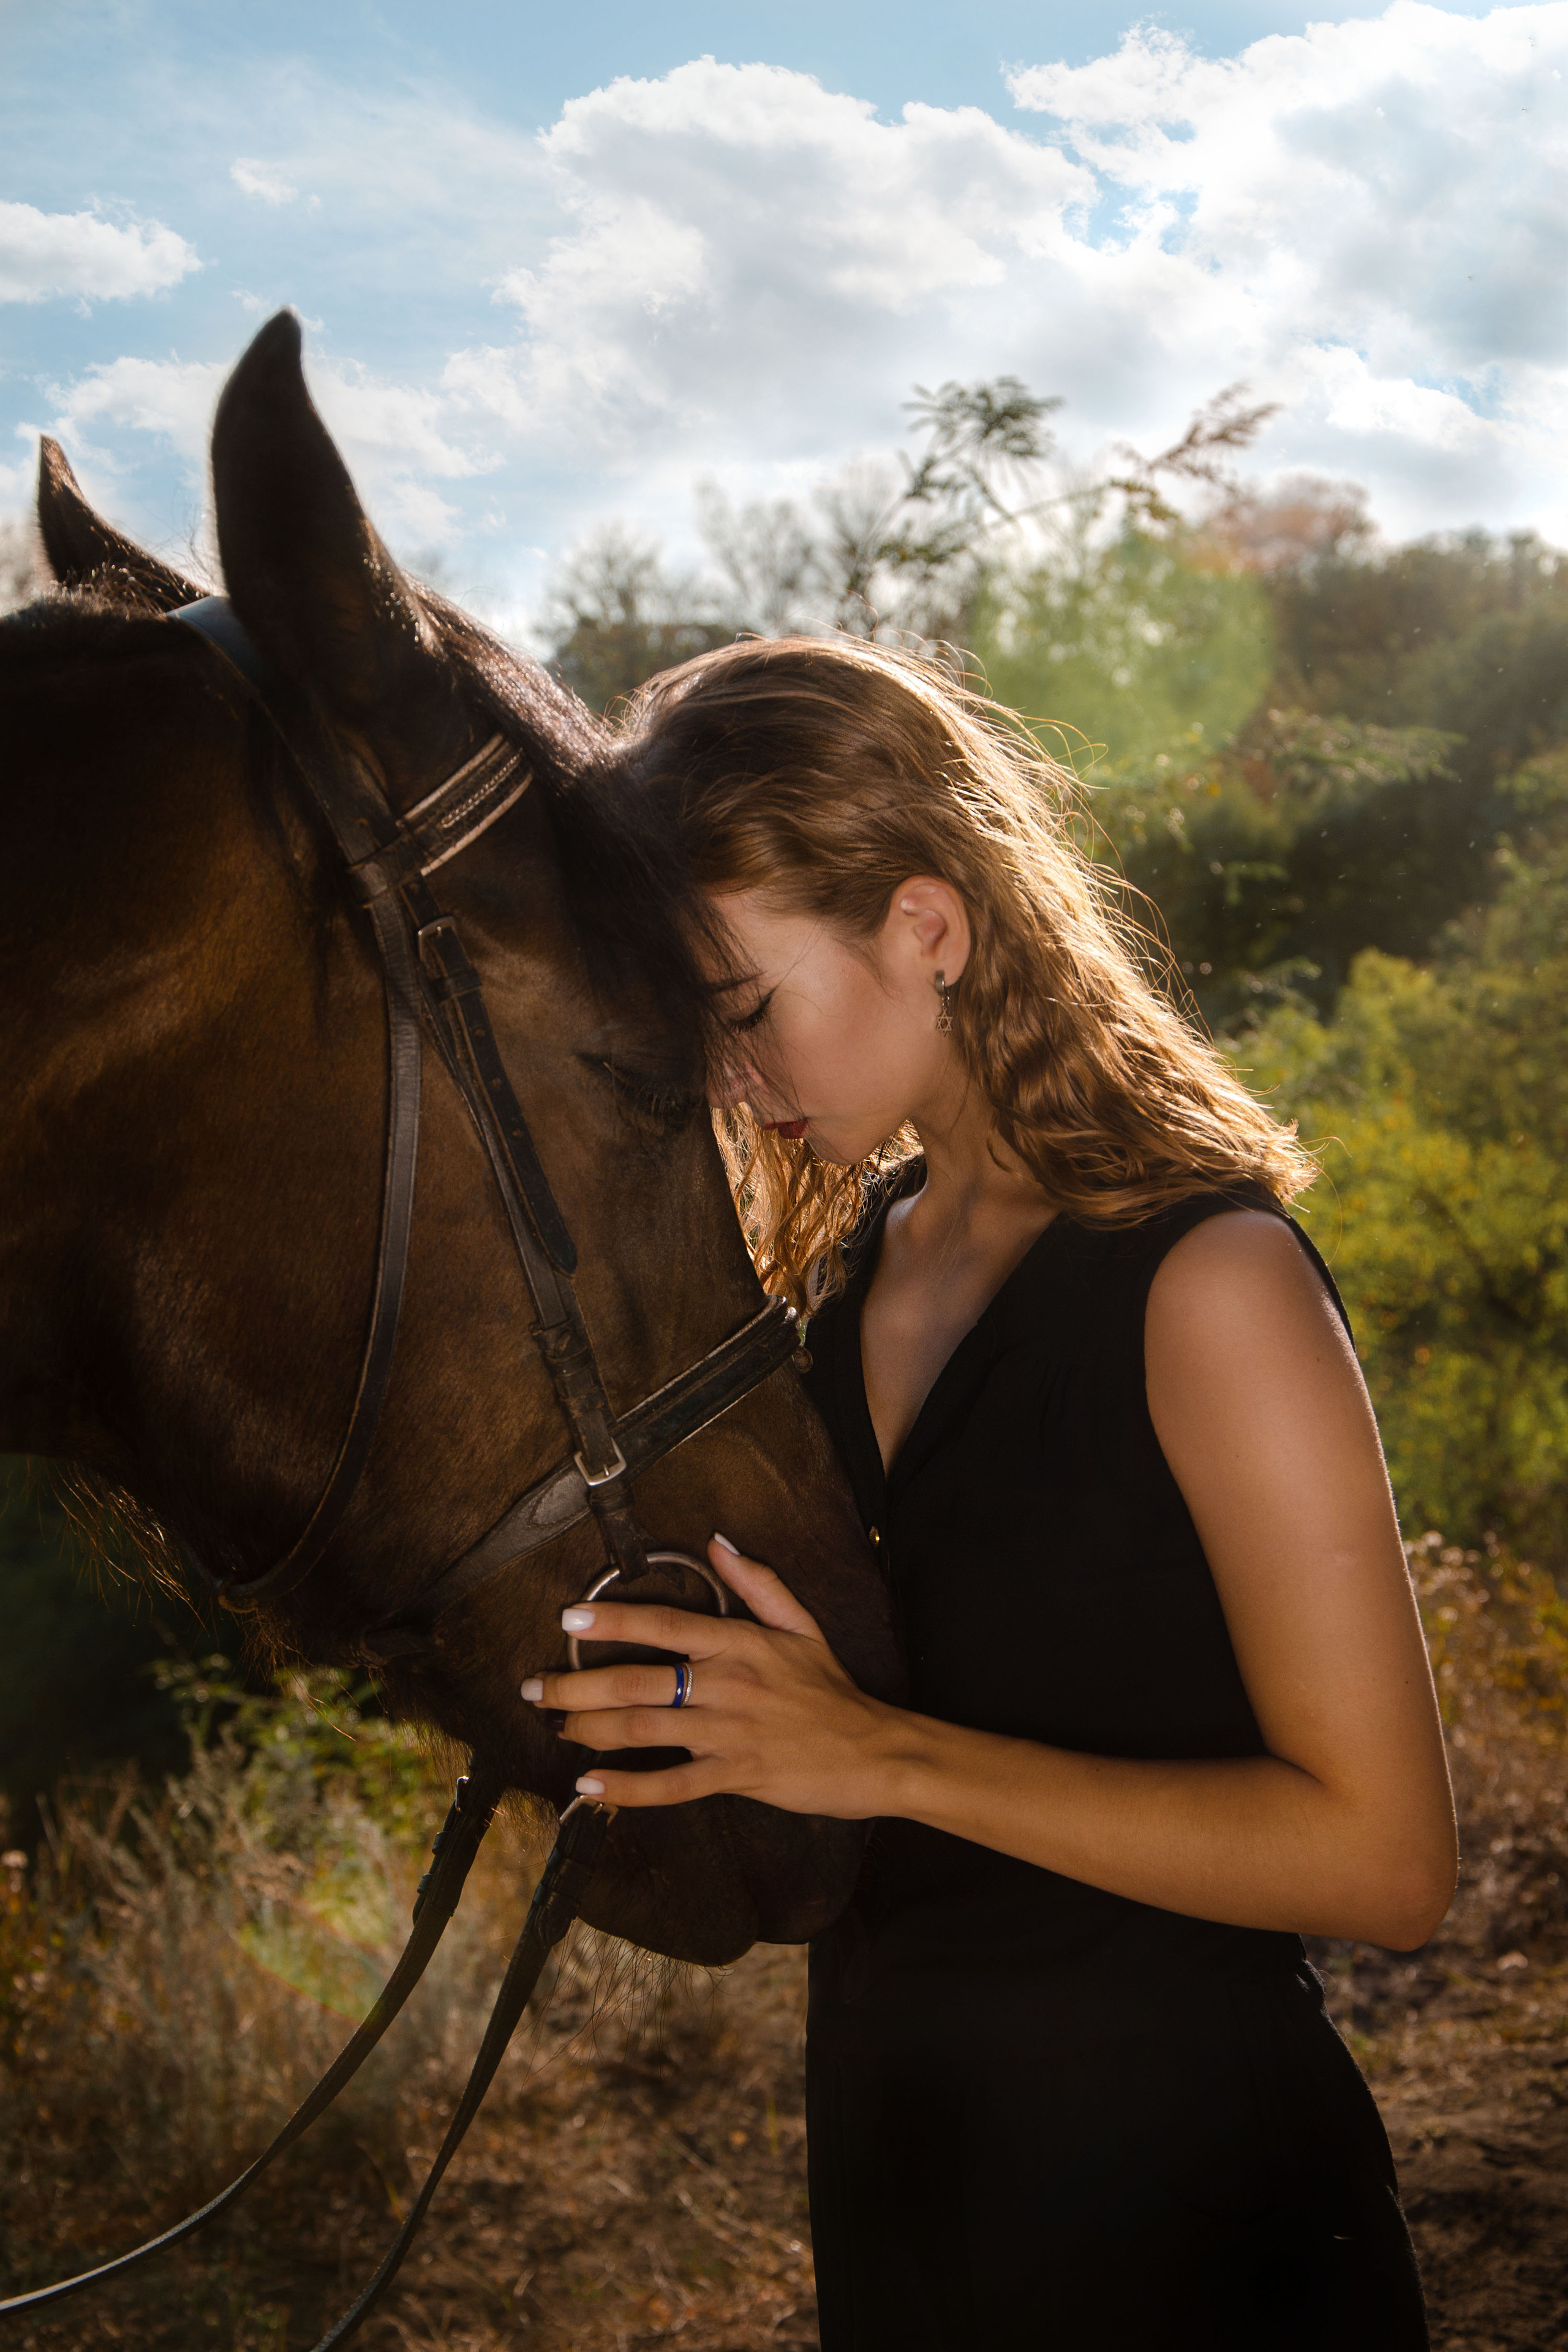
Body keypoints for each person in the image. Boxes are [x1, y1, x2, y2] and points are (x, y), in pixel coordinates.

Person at [518, 636, 1456, 2349]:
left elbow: (1387, 1862)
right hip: (906, 2200)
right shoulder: (852, 1280)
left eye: (743, 1012)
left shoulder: (1208, 1283)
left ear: (927, 929)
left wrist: (874, 1755)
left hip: (1197, 2230)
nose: (731, 1078)